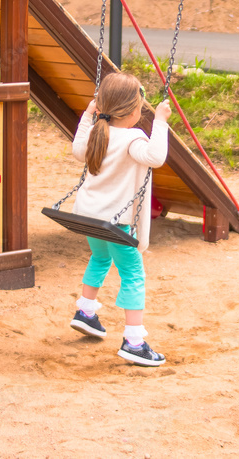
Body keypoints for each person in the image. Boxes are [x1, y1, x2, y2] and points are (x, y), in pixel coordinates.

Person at [69, 72, 173, 366]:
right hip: (114, 222)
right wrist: (161, 121)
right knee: (133, 275)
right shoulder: (132, 138)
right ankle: (134, 341)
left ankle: (86, 312)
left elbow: (78, 150)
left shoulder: (97, 132)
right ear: (131, 111)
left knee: (100, 259)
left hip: (89, 217)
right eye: (141, 109)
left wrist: (88, 115)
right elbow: (155, 157)